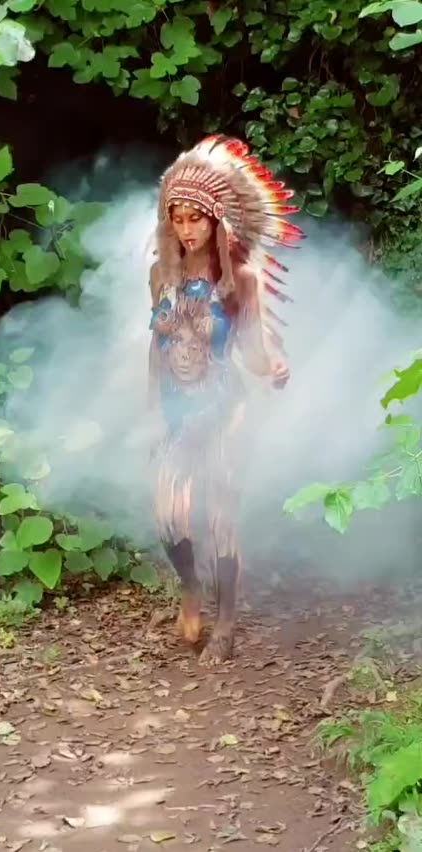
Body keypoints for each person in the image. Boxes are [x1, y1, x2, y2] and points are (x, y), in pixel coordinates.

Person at [148, 134, 303, 664]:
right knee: (168, 516)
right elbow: (156, 345)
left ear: (216, 220)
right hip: (179, 409)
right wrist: (154, 410)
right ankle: (192, 589)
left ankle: (227, 624)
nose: (186, 229)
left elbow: (253, 349)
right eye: (177, 219)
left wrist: (273, 367)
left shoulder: (242, 279)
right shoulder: (160, 274)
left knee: (219, 515)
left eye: (196, 218)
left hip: (225, 407)